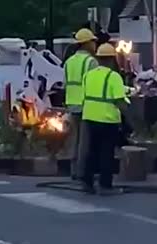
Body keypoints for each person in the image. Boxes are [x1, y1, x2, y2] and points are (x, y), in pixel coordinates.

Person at [80, 43, 129, 195]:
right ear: (111, 59)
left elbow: (85, 96)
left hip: (89, 117)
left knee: (92, 150)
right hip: (108, 119)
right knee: (106, 153)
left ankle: (87, 182)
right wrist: (130, 118)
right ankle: (105, 185)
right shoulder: (114, 77)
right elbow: (120, 101)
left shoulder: (88, 75)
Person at [64, 28, 98, 179]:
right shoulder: (91, 62)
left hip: (72, 105)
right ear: (86, 44)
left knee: (74, 140)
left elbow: (65, 84)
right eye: (93, 41)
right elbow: (95, 85)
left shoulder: (69, 62)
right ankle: (82, 172)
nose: (95, 44)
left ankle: (73, 170)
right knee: (85, 142)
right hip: (86, 106)